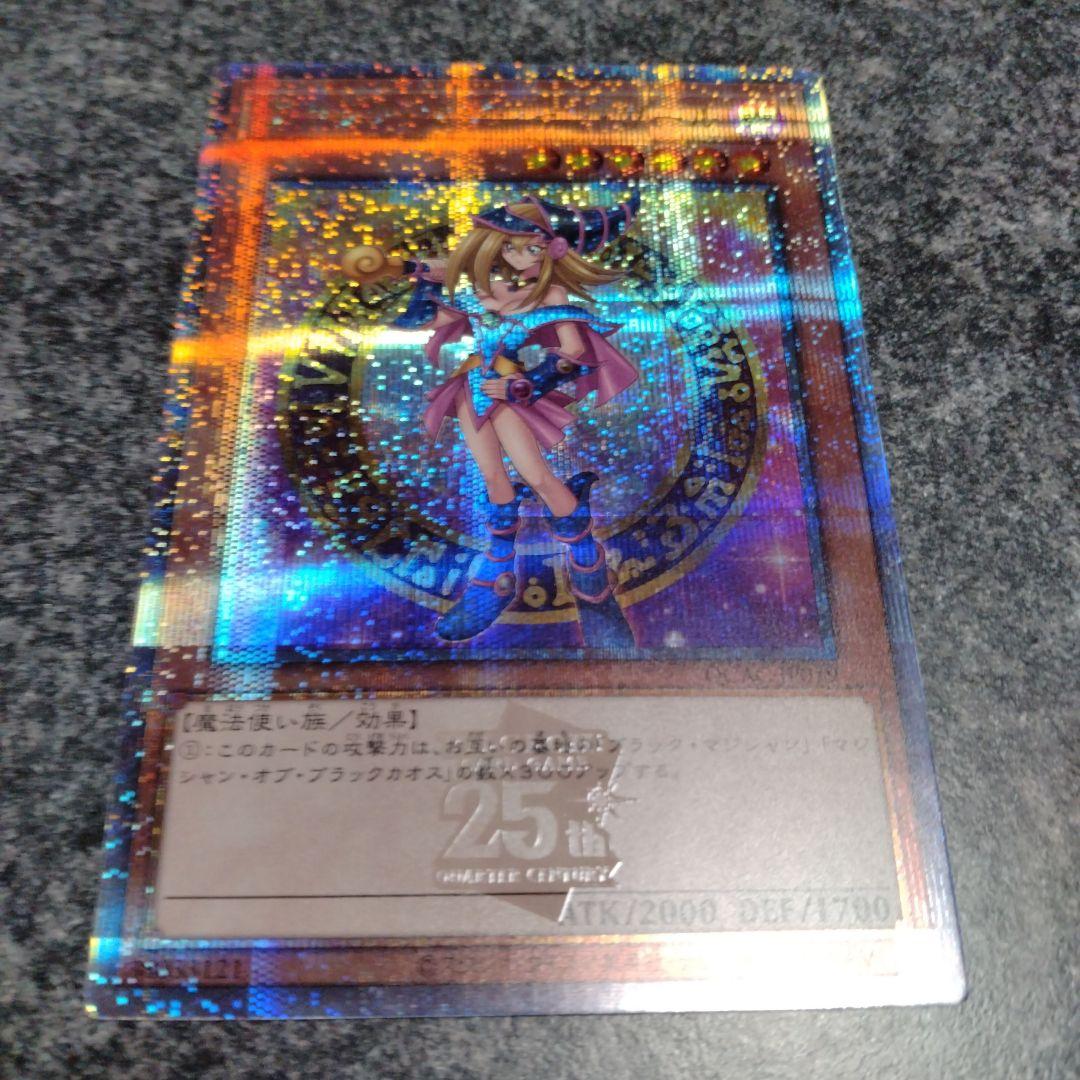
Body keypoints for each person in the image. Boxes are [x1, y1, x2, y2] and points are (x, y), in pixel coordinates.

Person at [343, 193, 640, 646]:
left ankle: (589, 572)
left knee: (537, 476)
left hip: (507, 392)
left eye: (531, 248)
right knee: (494, 478)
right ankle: (497, 574)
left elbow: (574, 353)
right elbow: (439, 286)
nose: (518, 257)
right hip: (470, 388)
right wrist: (400, 270)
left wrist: (529, 384)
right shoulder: (481, 289)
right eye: (510, 247)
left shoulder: (550, 295)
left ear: (553, 250)